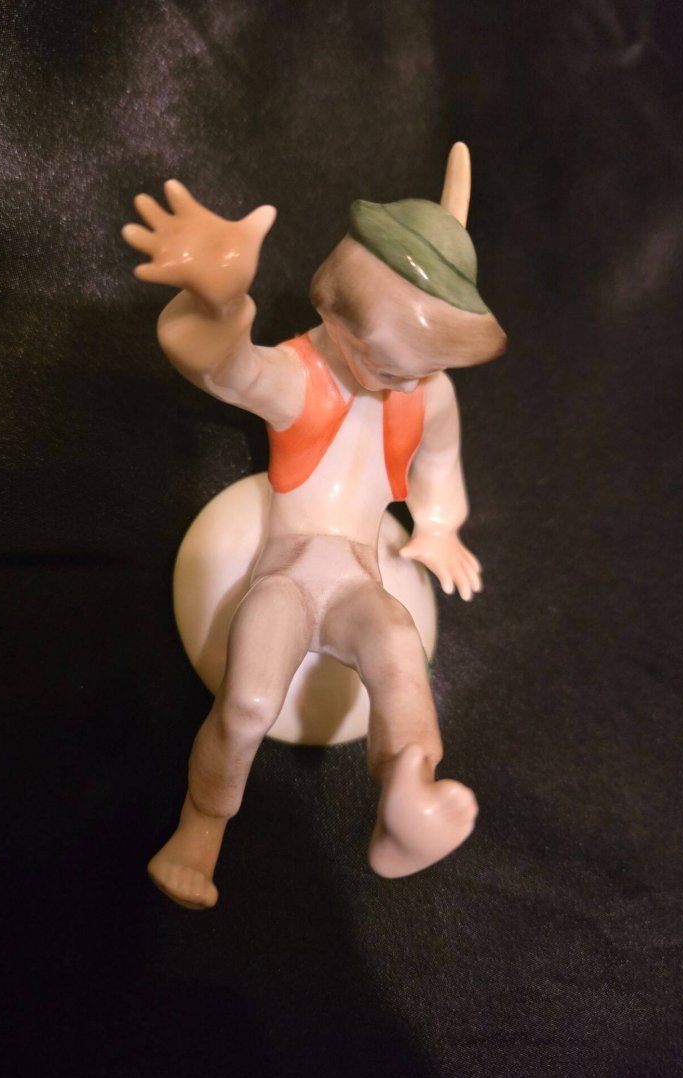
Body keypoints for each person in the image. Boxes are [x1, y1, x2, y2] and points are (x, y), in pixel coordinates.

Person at [122, 143, 506, 909]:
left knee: (398, 650)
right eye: (385, 361)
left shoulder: (425, 393)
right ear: (335, 309)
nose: (402, 381)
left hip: (362, 580)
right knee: (248, 703)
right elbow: (228, 370)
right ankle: (202, 823)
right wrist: (219, 306)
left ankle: (408, 794)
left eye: (423, 368)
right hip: (288, 574)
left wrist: (438, 525)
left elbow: (440, 458)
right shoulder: (302, 376)